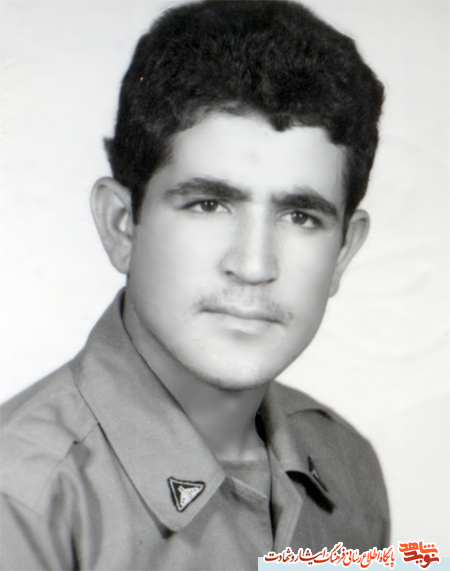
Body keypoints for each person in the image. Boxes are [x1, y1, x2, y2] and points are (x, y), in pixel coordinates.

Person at [0, 1, 389, 569]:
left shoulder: (348, 466)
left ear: (343, 253)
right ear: (121, 225)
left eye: (300, 216)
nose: (253, 265)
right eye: (208, 204)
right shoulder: (22, 495)